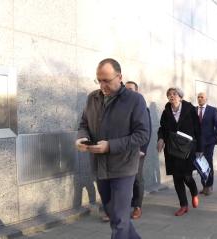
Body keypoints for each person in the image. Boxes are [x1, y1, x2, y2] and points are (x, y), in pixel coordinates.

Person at [76, 58, 150, 239]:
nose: (102, 85)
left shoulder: (135, 100)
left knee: (119, 222)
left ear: (119, 77)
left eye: (106, 81)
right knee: (116, 217)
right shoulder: (92, 98)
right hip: (100, 167)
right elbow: (83, 124)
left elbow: (142, 134)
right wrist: (82, 138)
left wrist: (110, 146)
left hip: (123, 167)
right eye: (99, 80)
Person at [157, 87, 202, 216]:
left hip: (188, 149)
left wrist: (200, 149)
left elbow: (198, 129)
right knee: (177, 178)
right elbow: (162, 128)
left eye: (175, 94)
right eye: (169, 94)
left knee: (187, 177)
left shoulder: (190, 109)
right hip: (172, 150)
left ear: (180, 97)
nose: (172, 96)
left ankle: (194, 192)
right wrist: (160, 139)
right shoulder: (166, 112)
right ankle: (183, 205)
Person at [125, 81, 152, 220]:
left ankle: (137, 206)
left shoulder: (142, 108)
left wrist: (143, 149)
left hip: (137, 150)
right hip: (123, 149)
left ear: (137, 91)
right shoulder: (122, 106)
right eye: (126, 89)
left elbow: (147, 131)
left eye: (131, 89)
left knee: (137, 178)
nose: (128, 91)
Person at [196, 92, 217, 195]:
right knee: (199, 165)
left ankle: (209, 186)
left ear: (206, 99)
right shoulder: (194, 110)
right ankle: (204, 185)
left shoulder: (212, 110)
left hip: (209, 143)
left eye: (202, 97)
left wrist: (215, 139)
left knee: (208, 164)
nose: (200, 99)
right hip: (197, 143)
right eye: (198, 97)